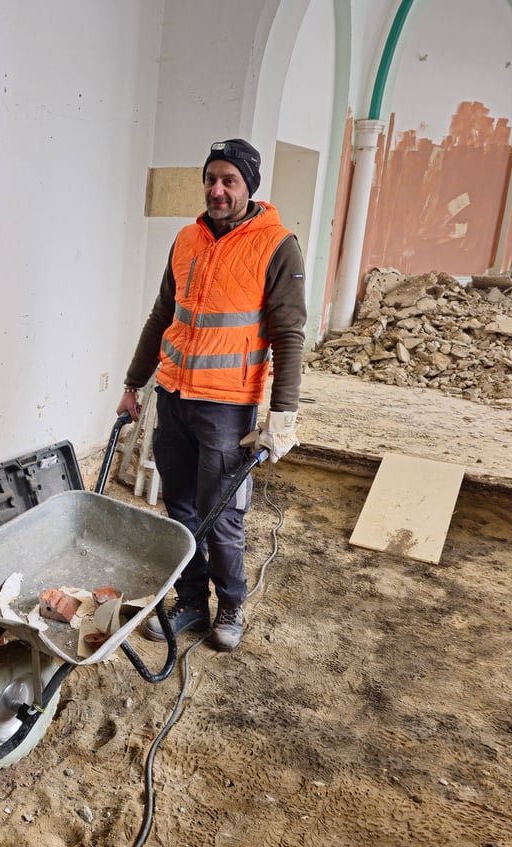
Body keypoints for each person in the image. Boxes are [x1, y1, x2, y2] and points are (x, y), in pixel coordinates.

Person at [118, 138, 306, 652]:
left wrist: (281, 416)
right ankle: (191, 602)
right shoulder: (185, 239)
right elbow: (162, 317)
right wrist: (134, 385)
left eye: (229, 181)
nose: (217, 190)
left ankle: (231, 605)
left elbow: (289, 335)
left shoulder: (277, 246)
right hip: (175, 398)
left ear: (249, 187)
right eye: (211, 179)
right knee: (179, 509)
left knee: (220, 513)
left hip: (227, 408)